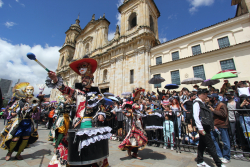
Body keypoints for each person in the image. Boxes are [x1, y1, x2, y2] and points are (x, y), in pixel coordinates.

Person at [47, 55, 109, 167]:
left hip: (93, 127)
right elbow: (65, 89)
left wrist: (101, 113)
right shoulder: (78, 93)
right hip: (78, 125)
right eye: (82, 78)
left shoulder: (98, 94)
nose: (83, 80)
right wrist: (55, 79)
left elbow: (102, 107)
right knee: (74, 152)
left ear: (91, 79)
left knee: (93, 154)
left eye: (85, 78)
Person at [0, 83, 39, 161]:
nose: (29, 91)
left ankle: (18, 154)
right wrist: (21, 110)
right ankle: (9, 152)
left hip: (28, 122)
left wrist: (35, 107)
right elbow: (11, 111)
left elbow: (36, 112)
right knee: (15, 139)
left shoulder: (34, 101)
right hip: (19, 122)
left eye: (31, 89)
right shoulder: (19, 101)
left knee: (25, 139)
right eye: (28, 89)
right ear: (25, 91)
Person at [193, 89, 224, 167]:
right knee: (210, 144)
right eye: (204, 94)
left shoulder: (203, 103)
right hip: (202, 127)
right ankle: (218, 163)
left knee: (202, 144)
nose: (206, 96)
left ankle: (200, 160)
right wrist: (200, 128)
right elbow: (196, 116)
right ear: (200, 95)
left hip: (206, 126)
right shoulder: (197, 103)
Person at [209, 93, 231, 163]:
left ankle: (226, 156)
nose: (209, 99)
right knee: (213, 139)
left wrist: (213, 111)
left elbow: (223, 114)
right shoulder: (213, 106)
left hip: (222, 125)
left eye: (210, 98)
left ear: (214, 98)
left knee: (225, 142)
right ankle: (219, 155)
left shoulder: (222, 105)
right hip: (215, 126)